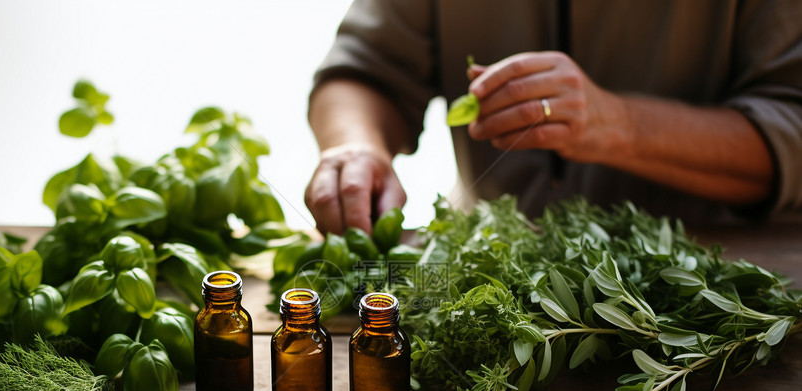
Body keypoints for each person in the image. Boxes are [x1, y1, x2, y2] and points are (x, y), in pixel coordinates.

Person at [303, 0, 802, 235]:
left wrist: (619, 125)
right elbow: (366, 66)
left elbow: (790, 120)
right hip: (499, 261)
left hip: (712, 273)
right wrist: (356, 146)